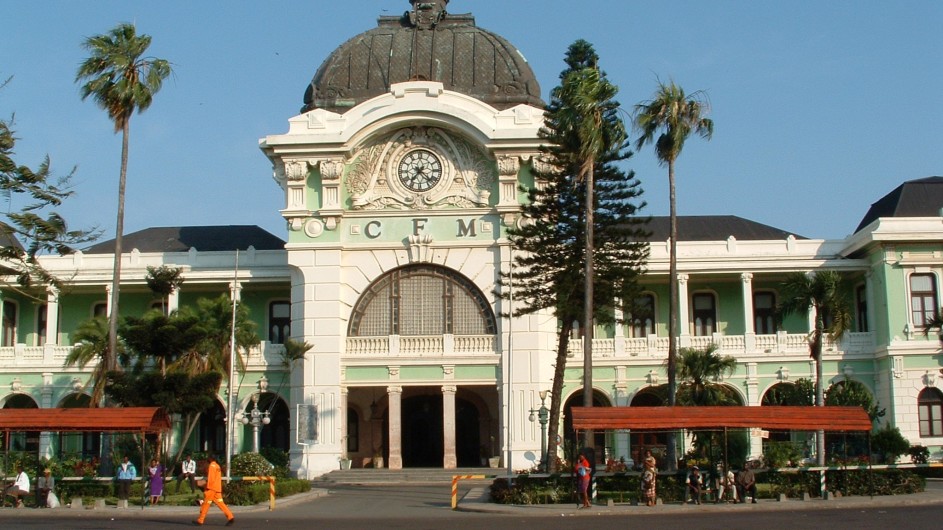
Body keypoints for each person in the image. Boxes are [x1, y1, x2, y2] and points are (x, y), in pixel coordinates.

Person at [193, 453, 234, 526]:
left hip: (211, 488)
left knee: (206, 504)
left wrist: (206, 487)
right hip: (217, 488)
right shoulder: (217, 466)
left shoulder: (211, 466)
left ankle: (200, 520)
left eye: (208, 458)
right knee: (221, 503)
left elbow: (211, 479)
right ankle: (230, 517)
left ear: (210, 459)